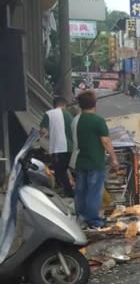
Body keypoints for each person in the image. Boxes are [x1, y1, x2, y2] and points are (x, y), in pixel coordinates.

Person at [70, 90, 118, 229]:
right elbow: (106, 142)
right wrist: (114, 159)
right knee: (94, 192)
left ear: (80, 105)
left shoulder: (75, 120)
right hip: (95, 162)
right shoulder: (98, 120)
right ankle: (93, 220)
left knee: (81, 191)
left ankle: (81, 217)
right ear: (94, 104)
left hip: (80, 161)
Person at [39, 96, 74, 197]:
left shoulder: (49, 114)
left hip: (58, 148)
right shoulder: (69, 116)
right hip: (69, 147)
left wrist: (39, 135)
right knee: (63, 170)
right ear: (64, 105)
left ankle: (69, 193)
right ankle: (69, 191)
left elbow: (43, 131)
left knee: (59, 172)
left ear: (54, 105)